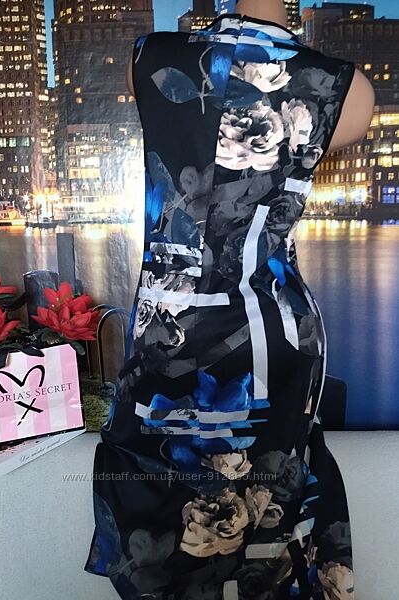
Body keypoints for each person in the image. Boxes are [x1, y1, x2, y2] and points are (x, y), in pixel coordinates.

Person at [86, 1, 375, 598]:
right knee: (268, 502)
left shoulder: (154, 56)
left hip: (172, 318)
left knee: (183, 487)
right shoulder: (336, 83)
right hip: (272, 328)